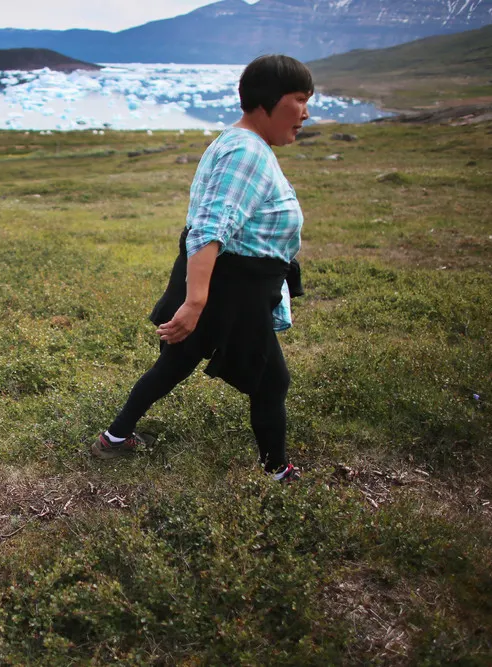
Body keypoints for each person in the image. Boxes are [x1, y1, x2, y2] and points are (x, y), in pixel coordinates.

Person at [90, 54, 312, 483]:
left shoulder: (240, 142)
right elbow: (209, 228)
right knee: (271, 382)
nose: (305, 112)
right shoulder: (245, 151)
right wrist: (195, 302)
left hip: (221, 282)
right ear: (267, 100)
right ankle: (277, 472)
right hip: (229, 290)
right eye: (299, 99)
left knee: (175, 363)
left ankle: (115, 439)